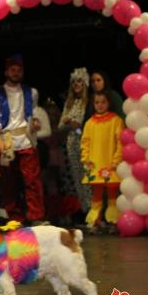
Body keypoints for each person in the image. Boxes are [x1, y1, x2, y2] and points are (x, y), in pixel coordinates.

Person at [0, 55, 45, 224]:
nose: (16, 73)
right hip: (7, 141)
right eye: (13, 70)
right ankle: (15, 217)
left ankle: (36, 217)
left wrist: (35, 123)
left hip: (26, 140)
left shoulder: (32, 92)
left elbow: (34, 114)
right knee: (9, 183)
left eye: (19, 70)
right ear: (6, 72)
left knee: (32, 180)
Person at [80, 92, 124, 234]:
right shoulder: (89, 123)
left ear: (109, 103)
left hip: (110, 164)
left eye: (103, 102)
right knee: (97, 196)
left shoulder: (116, 121)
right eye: (97, 102)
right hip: (95, 165)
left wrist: (116, 161)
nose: (100, 105)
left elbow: (120, 142)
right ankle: (95, 222)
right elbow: (85, 143)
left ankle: (113, 221)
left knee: (112, 195)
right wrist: (86, 160)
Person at [58, 67, 92, 215]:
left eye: (79, 81)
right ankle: (86, 212)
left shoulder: (89, 101)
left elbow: (84, 126)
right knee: (78, 178)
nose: (76, 85)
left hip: (87, 143)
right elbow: (60, 126)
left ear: (85, 83)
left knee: (89, 177)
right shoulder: (69, 103)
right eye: (73, 82)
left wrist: (76, 127)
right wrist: (68, 123)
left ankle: (94, 211)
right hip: (72, 144)